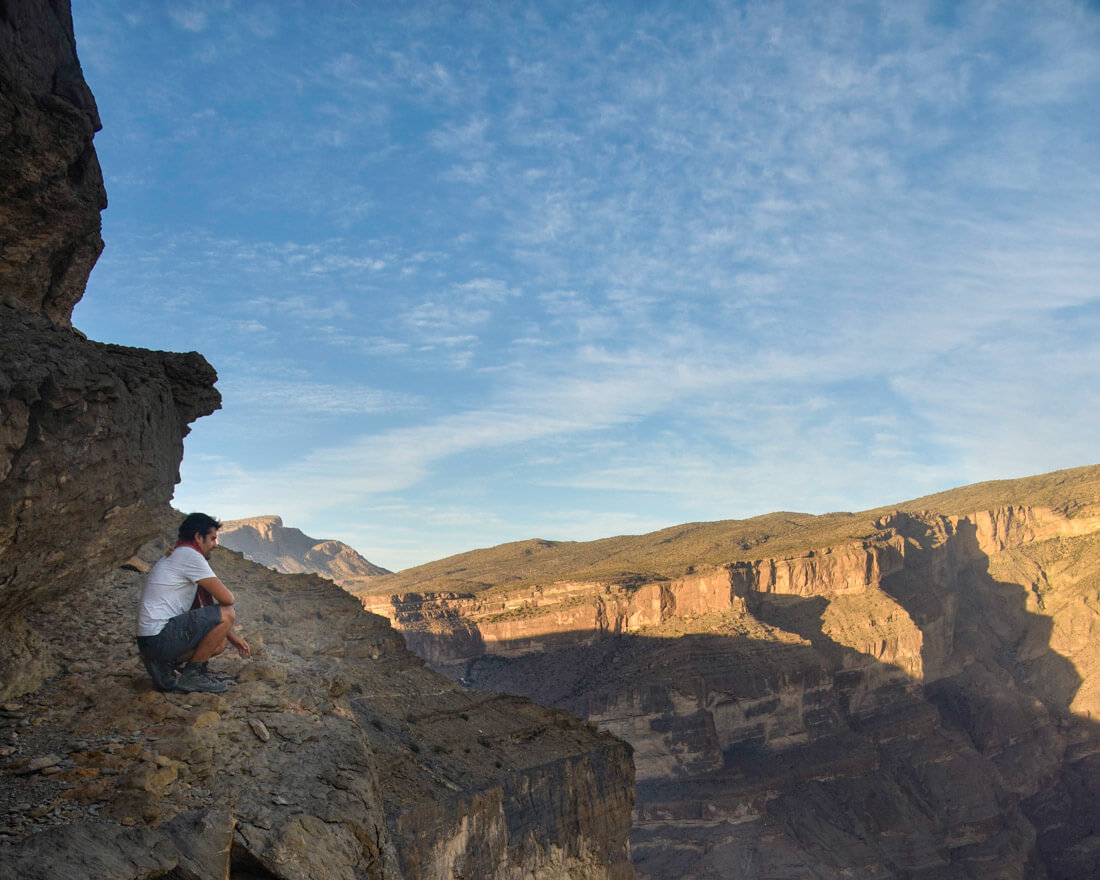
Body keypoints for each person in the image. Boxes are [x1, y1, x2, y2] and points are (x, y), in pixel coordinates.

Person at [136, 512, 250, 693]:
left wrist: (233, 638)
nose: (215, 545)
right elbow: (227, 600)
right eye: (212, 539)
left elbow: (207, 617)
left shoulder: (177, 554)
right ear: (198, 537)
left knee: (218, 643)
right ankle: (193, 676)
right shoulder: (190, 555)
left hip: (149, 641)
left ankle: (162, 664)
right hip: (159, 637)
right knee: (228, 612)